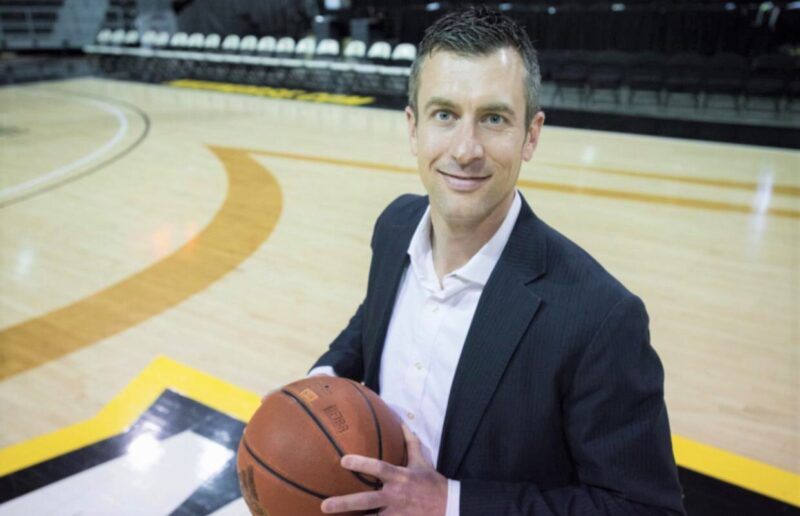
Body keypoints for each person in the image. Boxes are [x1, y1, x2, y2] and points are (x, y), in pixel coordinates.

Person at [310, 6, 685, 515]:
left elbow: (644, 508)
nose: (466, 149)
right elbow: (372, 320)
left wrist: (451, 504)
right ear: (412, 127)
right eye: (445, 114)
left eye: (493, 119)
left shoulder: (599, 318)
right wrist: (323, 377)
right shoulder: (395, 225)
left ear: (531, 135)